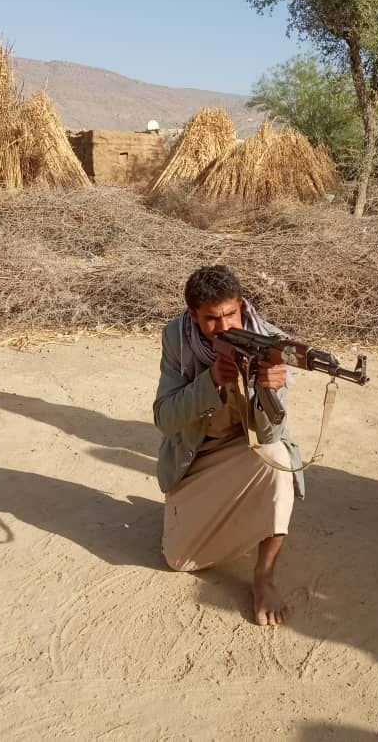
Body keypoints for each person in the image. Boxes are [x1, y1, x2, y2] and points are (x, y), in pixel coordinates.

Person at [153, 265, 303, 626]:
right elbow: (164, 418)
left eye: (230, 314)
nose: (224, 327)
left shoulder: (271, 343)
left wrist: (268, 388)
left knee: (277, 459)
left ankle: (264, 577)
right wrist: (210, 383)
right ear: (193, 315)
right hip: (197, 459)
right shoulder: (176, 337)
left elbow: (270, 435)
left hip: (249, 453)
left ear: (242, 304)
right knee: (178, 560)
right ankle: (240, 518)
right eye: (212, 318)